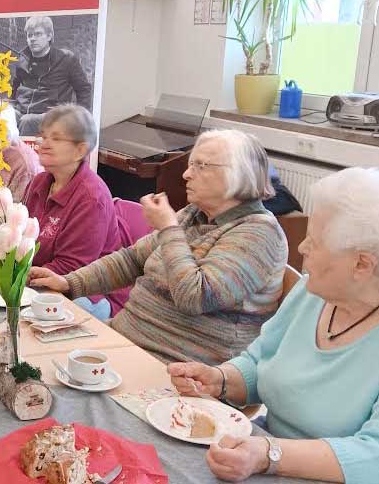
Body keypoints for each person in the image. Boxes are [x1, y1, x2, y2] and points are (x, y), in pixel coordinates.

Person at [169, 168, 379, 484]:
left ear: (362, 264)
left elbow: (372, 457)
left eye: (316, 240)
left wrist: (270, 454)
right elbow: (259, 361)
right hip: (260, 451)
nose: (303, 247)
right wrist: (220, 379)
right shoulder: (314, 294)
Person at [29, 130, 288, 365]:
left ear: (238, 173)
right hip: (125, 341)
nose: (186, 174)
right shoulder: (193, 215)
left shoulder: (259, 233)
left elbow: (195, 297)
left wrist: (168, 229)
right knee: (30, 355)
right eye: (190, 165)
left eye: (200, 165)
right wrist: (68, 283)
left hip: (177, 366)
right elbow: (132, 260)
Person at [21, 104, 126, 321]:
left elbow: (71, 268)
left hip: (86, 293)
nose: (44, 144)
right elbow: (21, 237)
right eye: (44, 136)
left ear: (80, 150)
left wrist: (18, 279)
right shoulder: (40, 181)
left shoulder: (90, 197)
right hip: (38, 279)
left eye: (56, 139)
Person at [12, 15, 93, 136]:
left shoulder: (66, 59)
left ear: (49, 36)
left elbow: (84, 89)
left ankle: (24, 154)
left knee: (27, 121)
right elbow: (13, 89)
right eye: (30, 35)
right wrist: (9, 107)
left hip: (53, 114)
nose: (33, 39)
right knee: (2, 116)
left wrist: (79, 120)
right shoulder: (22, 59)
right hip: (22, 110)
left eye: (38, 34)